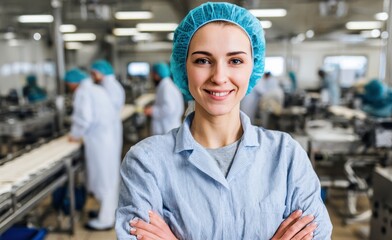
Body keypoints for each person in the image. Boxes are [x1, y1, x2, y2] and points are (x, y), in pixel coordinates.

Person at [116, 2, 332, 240]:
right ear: (183, 66)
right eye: (203, 60)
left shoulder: (286, 156)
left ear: (253, 66)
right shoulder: (146, 163)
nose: (219, 77)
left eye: (235, 61)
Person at [64, 68, 120, 230]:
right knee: (108, 178)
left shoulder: (83, 93)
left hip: (98, 142)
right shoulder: (97, 89)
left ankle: (105, 219)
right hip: (106, 139)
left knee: (102, 179)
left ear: (74, 83)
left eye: (69, 84)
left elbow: (83, 118)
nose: (69, 87)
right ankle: (108, 212)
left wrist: (74, 135)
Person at [90, 59, 125, 159]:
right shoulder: (108, 85)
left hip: (107, 128)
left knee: (108, 159)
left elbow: (106, 111)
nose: (93, 77)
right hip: (109, 127)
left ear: (101, 72)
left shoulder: (110, 87)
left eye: (94, 73)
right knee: (109, 159)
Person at [143, 62, 184, 135]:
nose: (152, 76)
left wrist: (152, 111)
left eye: (153, 74)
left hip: (166, 128)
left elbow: (168, 108)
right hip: (169, 126)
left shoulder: (166, 88)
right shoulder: (167, 85)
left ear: (157, 75)